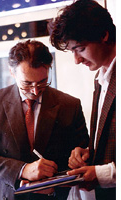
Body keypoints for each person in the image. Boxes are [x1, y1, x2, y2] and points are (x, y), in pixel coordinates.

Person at [0, 39, 89, 200]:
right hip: (4, 194)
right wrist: (22, 170)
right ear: (12, 72)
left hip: (52, 196)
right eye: (27, 84)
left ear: (49, 69)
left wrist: (76, 161)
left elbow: (82, 155)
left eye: (42, 82)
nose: (35, 91)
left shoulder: (70, 105)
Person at [49, 0, 116, 199]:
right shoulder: (102, 78)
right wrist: (90, 153)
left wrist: (100, 174)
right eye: (72, 51)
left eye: (80, 48)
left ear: (104, 35)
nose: (76, 60)